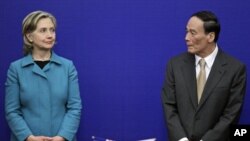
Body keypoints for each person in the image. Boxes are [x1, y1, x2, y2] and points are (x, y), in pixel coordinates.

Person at [161, 11, 247, 141]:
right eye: (186, 31)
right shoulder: (175, 65)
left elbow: (231, 114)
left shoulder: (235, 69)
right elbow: (169, 105)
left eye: (193, 33)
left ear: (210, 37)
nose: (186, 37)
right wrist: (181, 138)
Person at [5, 10, 82, 141]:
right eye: (43, 30)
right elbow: (12, 111)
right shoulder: (16, 69)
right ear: (30, 37)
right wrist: (28, 137)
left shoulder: (68, 67)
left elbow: (75, 107)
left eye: (52, 30)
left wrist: (62, 137)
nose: (50, 35)